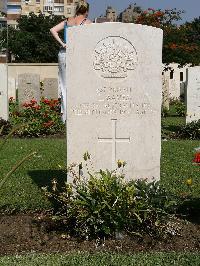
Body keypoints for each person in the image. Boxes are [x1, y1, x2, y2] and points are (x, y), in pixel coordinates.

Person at [50, 1, 91, 122]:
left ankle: (65, 117)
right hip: (77, 55)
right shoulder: (87, 23)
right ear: (86, 11)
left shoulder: (68, 20)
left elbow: (53, 30)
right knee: (79, 84)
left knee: (64, 84)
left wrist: (63, 44)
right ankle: (78, 115)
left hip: (63, 54)